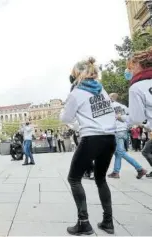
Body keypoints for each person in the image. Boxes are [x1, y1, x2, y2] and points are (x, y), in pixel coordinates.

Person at [61, 57, 116, 235]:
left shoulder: (76, 93)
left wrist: (65, 108)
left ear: (76, 75)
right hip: (109, 138)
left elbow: (66, 119)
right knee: (101, 179)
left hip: (92, 138)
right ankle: (108, 222)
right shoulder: (103, 91)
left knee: (74, 179)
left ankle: (84, 222)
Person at [126, 46, 152, 177]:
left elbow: (136, 118)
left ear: (138, 65)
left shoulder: (136, 87)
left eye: (130, 67)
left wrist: (122, 119)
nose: (129, 70)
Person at [107, 93, 147, 179]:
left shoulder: (110, 106)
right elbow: (130, 118)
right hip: (123, 130)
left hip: (116, 131)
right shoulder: (123, 107)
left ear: (110, 98)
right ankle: (116, 172)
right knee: (118, 152)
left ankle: (140, 169)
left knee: (120, 152)